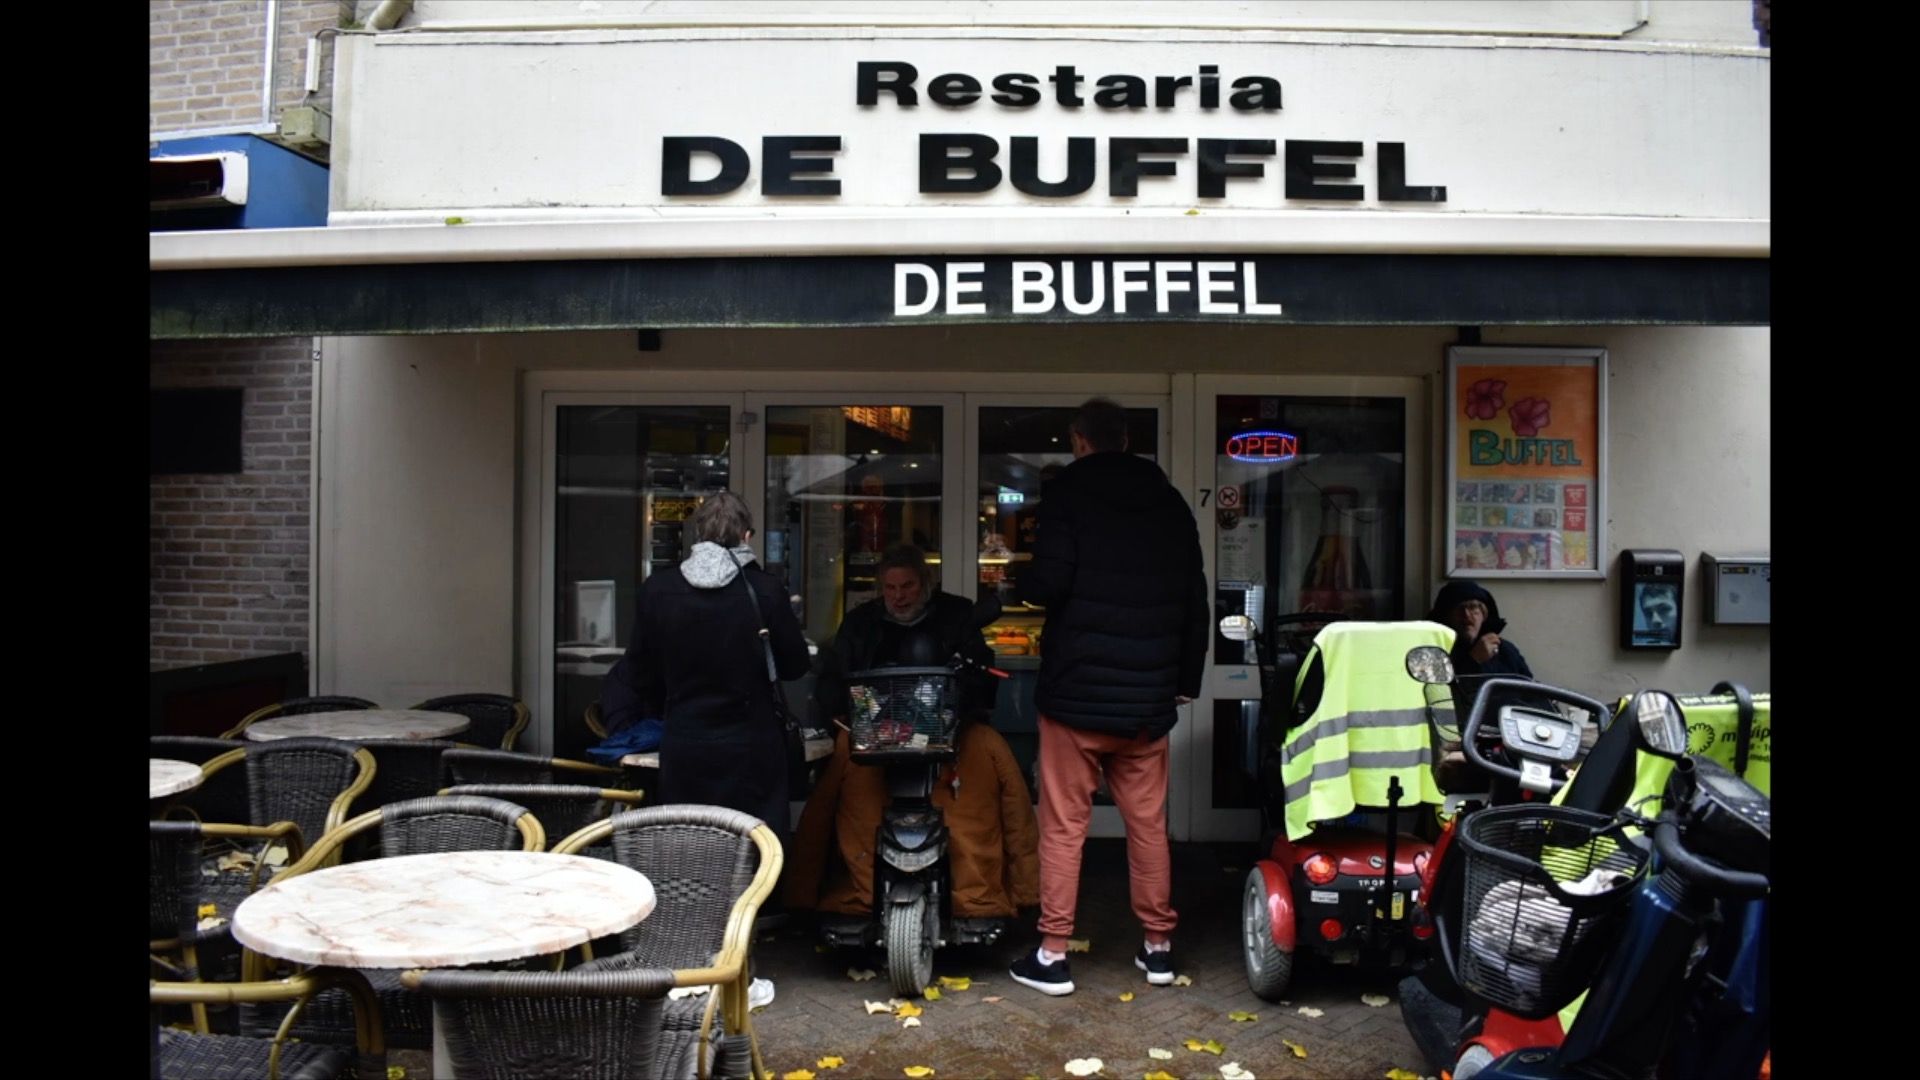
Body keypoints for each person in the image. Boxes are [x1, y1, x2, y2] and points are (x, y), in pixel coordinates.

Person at [1008, 398, 1210, 996]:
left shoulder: (1069, 495)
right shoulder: (1169, 502)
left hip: (1075, 698)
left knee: (1064, 826)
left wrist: (1018, 578)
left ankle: (1052, 953)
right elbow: (1194, 600)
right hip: (1146, 700)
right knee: (1148, 825)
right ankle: (1158, 948)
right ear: (1124, 439)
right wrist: (1185, 681)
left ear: (1078, 439)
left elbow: (1048, 584)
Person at [618, 490, 810, 1009]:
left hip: (686, 740)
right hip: (750, 742)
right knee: (747, 855)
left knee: (688, 848)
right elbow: (794, 666)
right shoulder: (764, 590)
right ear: (746, 536)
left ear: (696, 534)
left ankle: (694, 964)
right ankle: (739, 973)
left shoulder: (659, 590)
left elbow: (640, 668)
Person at [787, 543, 1039, 925]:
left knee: (999, 771)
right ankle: (814, 891)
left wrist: (963, 697)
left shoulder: (957, 615)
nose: (899, 596)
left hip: (952, 732)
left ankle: (1002, 893)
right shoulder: (861, 623)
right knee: (830, 790)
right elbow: (832, 681)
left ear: (925, 585)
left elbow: (983, 678)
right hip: (872, 734)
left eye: (907, 587)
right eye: (890, 588)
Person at [1427, 578, 1533, 680]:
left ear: (1483, 615)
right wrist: (1473, 660)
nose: (1467, 615)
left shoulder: (1506, 650)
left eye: (1473, 607)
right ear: (1447, 616)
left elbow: (1533, 691)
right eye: (1459, 609)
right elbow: (1439, 693)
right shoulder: (1434, 652)